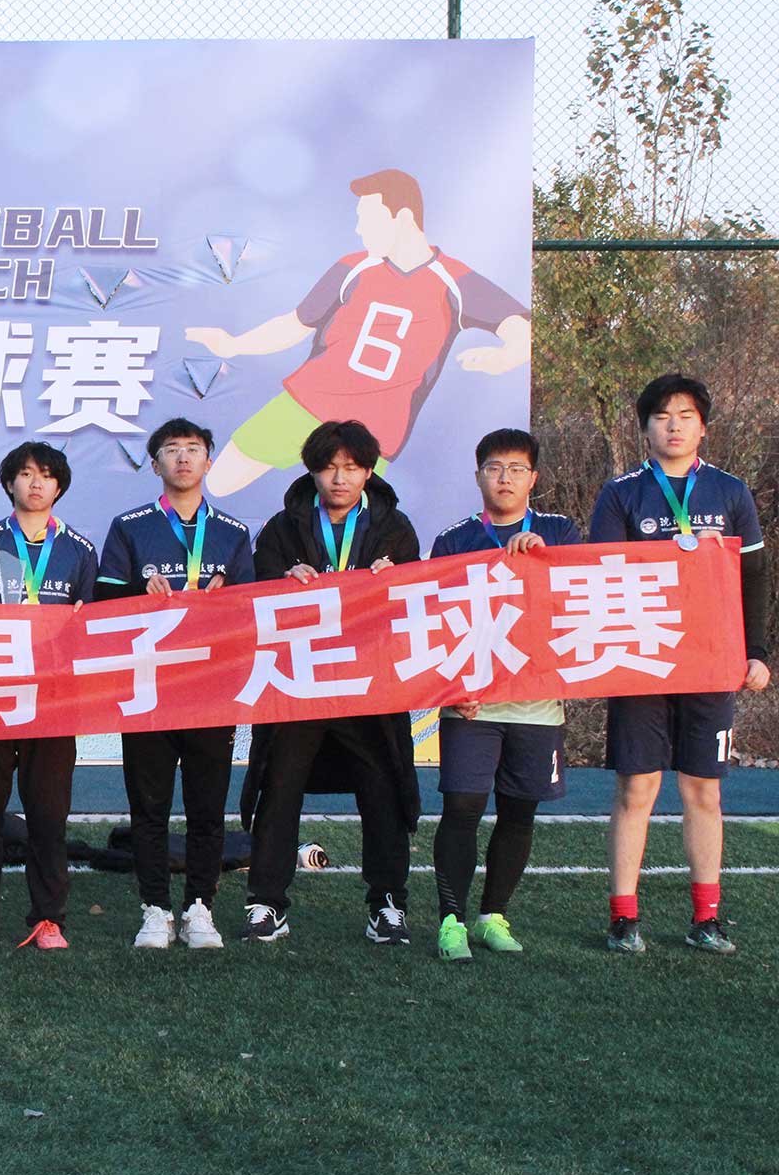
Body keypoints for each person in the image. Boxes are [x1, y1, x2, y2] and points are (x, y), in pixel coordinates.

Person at [186, 169, 530, 495]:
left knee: (349, 519)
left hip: (375, 432)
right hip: (306, 402)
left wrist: (505, 357)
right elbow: (296, 323)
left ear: (403, 218)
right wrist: (234, 345)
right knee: (219, 482)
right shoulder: (354, 266)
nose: (359, 228)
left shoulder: (453, 280)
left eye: (367, 218)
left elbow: (520, 327)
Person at [589, 373, 769, 954]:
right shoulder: (621, 493)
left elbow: (753, 579)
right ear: (645, 427)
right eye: (662, 415)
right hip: (640, 658)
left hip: (711, 663)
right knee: (636, 788)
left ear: (703, 427)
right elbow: (600, 576)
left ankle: (706, 919)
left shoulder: (730, 492)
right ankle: (623, 918)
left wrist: (757, 652)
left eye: (686, 415)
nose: (674, 425)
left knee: (704, 791)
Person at [238, 419, 422, 943]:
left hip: (370, 685)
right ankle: (266, 902)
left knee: (383, 789)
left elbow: (414, 602)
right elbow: (254, 598)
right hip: (299, 682)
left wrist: (396, 580)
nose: (340, 478)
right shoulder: (282, 528)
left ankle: (387, 904)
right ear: (312, 471)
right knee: (279, 786)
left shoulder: (395, 528)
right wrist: (282, 582)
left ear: (369, 472)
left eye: (352, 467)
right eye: (329, 467)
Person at [96, 418, 255, 951]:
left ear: (208, 461)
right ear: (155, 463)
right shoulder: (129, 526)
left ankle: (200, 908)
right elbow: (102, 601)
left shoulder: (232, 533)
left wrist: (227, 596)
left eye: (193, 449)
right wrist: (140, 589)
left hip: (211, 691)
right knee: (150, 809)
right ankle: (155, 909)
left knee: (208, 809)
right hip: (148, 688)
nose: (183, 458)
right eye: (171, 449)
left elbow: (253, 611)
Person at [426, 429, 581, 962]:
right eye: (494, 468)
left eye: (516, 469)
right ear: (478, 476)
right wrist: (451, 688)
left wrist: (546, 560)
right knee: (462, 807)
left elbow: (579, 599)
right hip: (472, 702)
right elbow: (436, 620)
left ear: (533, 478)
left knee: (519, 811)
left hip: (537, 700)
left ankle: (493, 915)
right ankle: (450, 921)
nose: (505, 478)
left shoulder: (558, 531)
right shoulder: (453, 540)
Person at [0, 441, 98, 951]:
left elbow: (95, 627)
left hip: (53, 702)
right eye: (27, 474)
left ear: (59, 486)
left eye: (47, 475)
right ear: (9, 482)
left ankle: (49, 917)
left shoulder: (80, 550)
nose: (37, 483)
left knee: (49, 815)